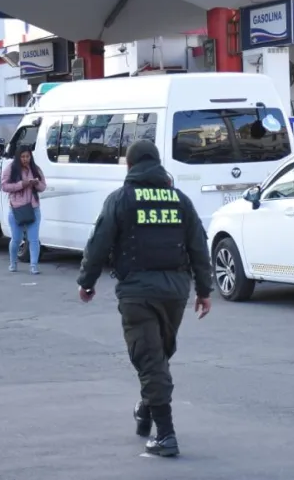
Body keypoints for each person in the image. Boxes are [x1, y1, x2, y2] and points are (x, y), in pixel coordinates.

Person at [77, 139, 213, 458]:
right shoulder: (180, 200)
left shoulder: (121, 199)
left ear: (130, 165)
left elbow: (98, 243)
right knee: (158, 354)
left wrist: (87, 281)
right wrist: (204, 291)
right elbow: (198, 246)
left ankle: (165, 435)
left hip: (137, 291)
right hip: (175, 291)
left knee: (151, 358)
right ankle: (147, 411)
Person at [0, 147, 46, 274]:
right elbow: (4, 186)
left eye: (28, 156)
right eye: (23, 156)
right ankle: (13, 263)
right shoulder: (11, 168)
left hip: (33, 208)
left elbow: (43, 186)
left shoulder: (35, 168)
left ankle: (34, 266)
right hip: (17, 209)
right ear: (18, 157)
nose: (25, 159)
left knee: (34, 239)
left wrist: (35, 183)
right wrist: (21, 184)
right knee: (16, 239)